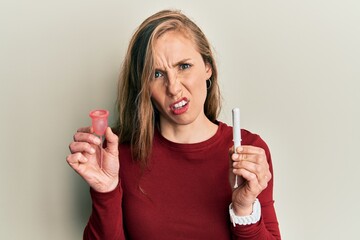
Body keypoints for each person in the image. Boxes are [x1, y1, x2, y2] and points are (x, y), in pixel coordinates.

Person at [67, 9, 281, 240]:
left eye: (184, 66)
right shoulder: (118, 153)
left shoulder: (250, 150)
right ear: (144, 87)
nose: (173, 88)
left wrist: (243, 209)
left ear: (207, 67)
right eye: (156, 74)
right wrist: (105, 191)